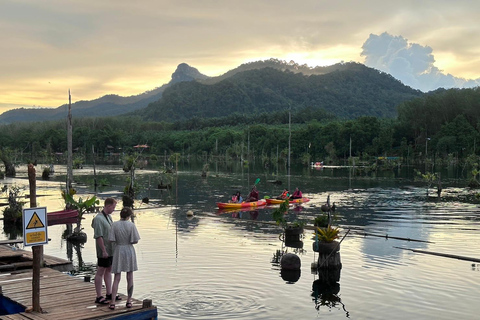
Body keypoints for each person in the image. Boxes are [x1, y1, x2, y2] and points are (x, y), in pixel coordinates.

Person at [108, 207, 141, 310]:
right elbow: (135, 240)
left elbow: (111, 239)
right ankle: (129, 301)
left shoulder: (114, 225)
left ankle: (112, 302)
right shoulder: (131, 225)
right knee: (129, 276)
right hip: (128, 250)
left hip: (118, 250)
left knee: (117, 278)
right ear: (129, 216)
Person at [92, 197, 118, 305]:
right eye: (113, 207)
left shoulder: (109, 217)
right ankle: (99, 296)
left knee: (109, 269)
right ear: (108, 206)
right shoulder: (98, 219)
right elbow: (98, 236)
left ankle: (109, 293)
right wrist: (103, 250)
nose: (114, 209)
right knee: (100, 271)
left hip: (111, 249)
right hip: (104, 250)